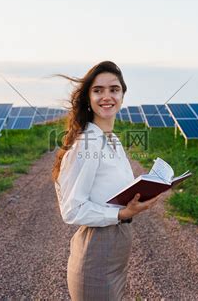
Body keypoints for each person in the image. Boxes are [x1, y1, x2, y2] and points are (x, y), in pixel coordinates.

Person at [53, 61, 160, 300]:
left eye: (114, 89)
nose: (107, 96)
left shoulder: (112, 140)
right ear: (88, 98)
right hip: (96, 254)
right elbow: (71, 210)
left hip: (115, 250)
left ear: (122, 94)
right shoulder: (87, 143)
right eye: (98, 90)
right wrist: (120, 215)